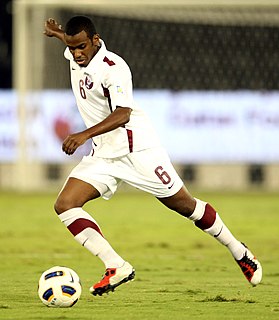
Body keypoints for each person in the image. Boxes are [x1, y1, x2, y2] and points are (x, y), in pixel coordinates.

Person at [43, 16, 262, 296]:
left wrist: (84, 135)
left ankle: (239, 250)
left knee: (186, 206)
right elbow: (72, 41)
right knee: (65, 204)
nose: (76, 54)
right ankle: (116, 266)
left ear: (96, 41)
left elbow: (123, 114)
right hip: (104, 155)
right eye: (72, 48)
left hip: (138, 151)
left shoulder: (114, 68)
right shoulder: (76, 51)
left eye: (82, 47)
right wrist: (58, 33)